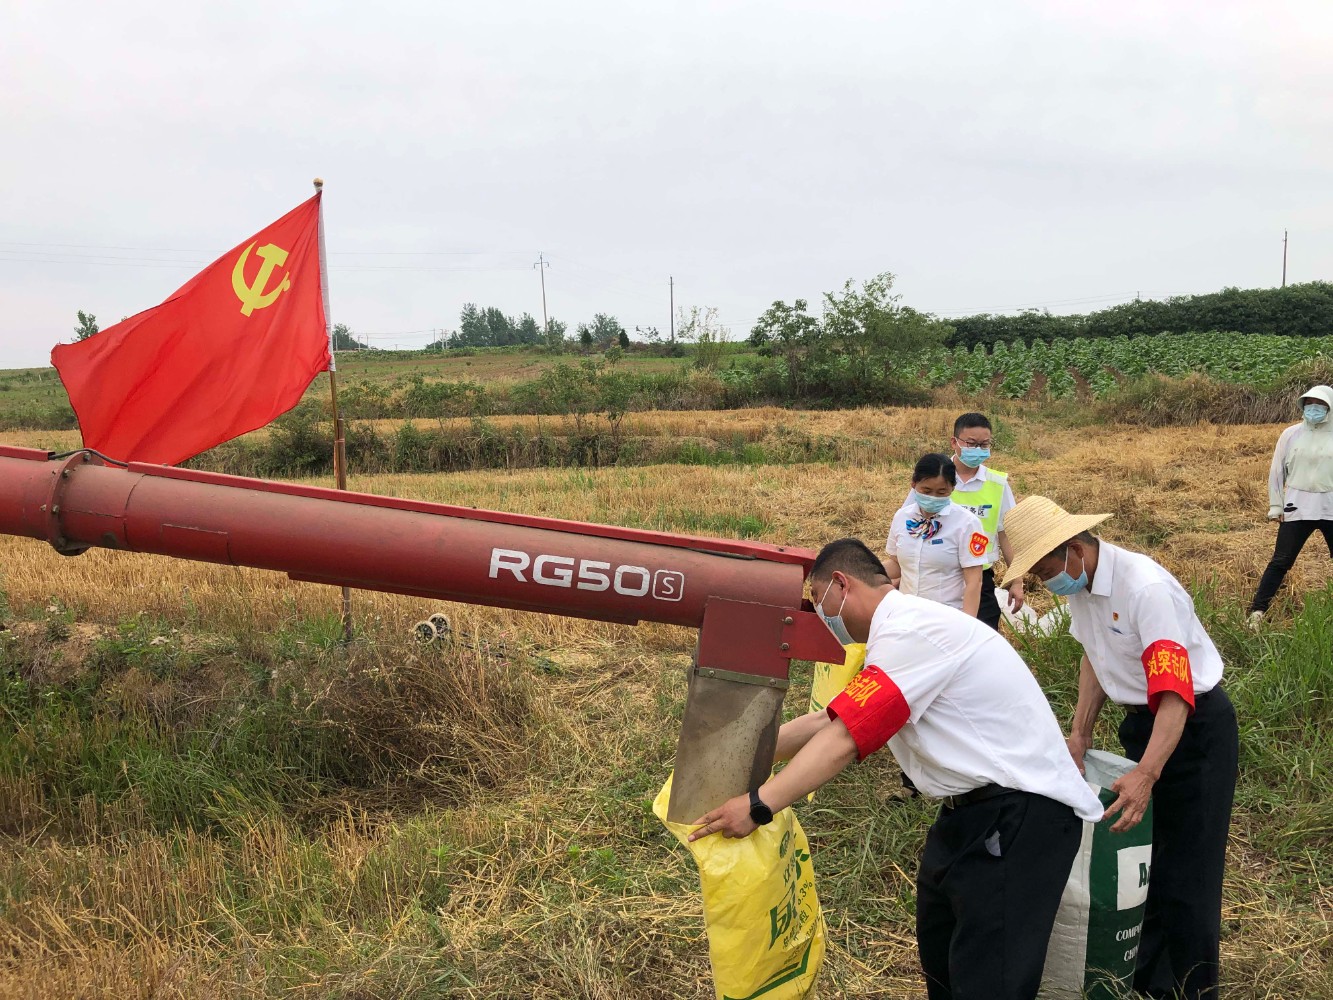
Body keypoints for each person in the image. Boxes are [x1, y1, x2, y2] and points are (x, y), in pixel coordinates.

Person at [690, 538, 1104, 1000]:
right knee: (944, 961)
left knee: (990, 981)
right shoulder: (903, 632)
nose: (822, 617)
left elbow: (844, 740)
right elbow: (829, 720)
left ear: (842, 585)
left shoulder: (913, 631)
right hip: (968, 814)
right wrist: (729, 753)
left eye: (819, 601)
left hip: (1019, 816)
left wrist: (758, 806)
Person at [1001, 496, 1238, 1000]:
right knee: (1148, 862)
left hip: (1193, 732)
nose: (1047, 582)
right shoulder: (1082, 589)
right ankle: (1151, 981)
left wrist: (1148, 774)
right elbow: (1095, 655)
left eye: (1046, 570)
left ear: (1075, 549)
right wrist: (1080, 732)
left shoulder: (1143, 587)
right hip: (1142, 727)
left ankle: (1195, 988)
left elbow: (1176, 692)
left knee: (1189, 870)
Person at [907, 413, 1023, 630]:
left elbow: (1005, 535)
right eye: (971, 443)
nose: (978, 449)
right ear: (955, 442)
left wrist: (1016, 580)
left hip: (980, 577)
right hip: (936, 574)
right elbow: (909, 527)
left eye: (984, 444)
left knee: (980, 636)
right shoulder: (934, 477)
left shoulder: (997, 484)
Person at [1247, 383, 1333, 625]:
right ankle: (1257, 611)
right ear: (1302, 406)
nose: (1314, 409)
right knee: (1281, 561)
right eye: (1309, 404)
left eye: (1321, 405)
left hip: (1330, 507)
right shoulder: (1290, 434)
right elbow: (1276, 472)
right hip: (1297, 507)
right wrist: (1276, 506)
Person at [885, 453, 989, 618]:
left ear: (952, 489)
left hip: (946, 618)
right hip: (906, 615)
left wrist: (968, 625)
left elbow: (974, 582)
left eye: (941, 492)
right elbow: (897, 563)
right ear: (914, 484)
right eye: (926, 490)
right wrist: (865, 573)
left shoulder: (967, 524)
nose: (933, 497)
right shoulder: (902, 517)